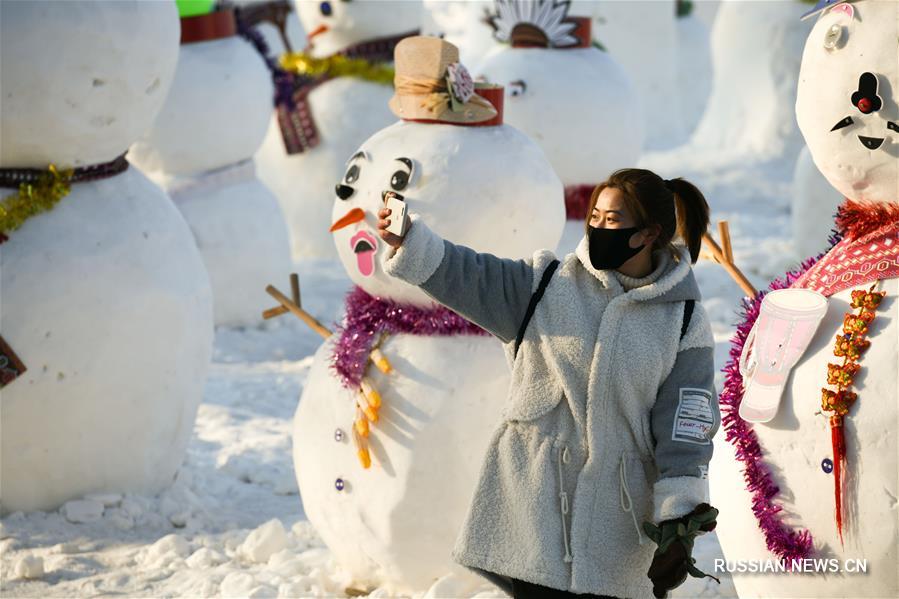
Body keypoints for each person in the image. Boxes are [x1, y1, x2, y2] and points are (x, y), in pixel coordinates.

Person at [376, 168, 721, 599]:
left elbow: (685, 423)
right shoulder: (545, 285)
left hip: (619, 520)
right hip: (533, 506)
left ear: (648, 233)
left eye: (611, 221)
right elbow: (471, 275)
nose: (596, 228)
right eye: (593, 216)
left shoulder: (682, 319)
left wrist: (678, 519)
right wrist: (410, 238)